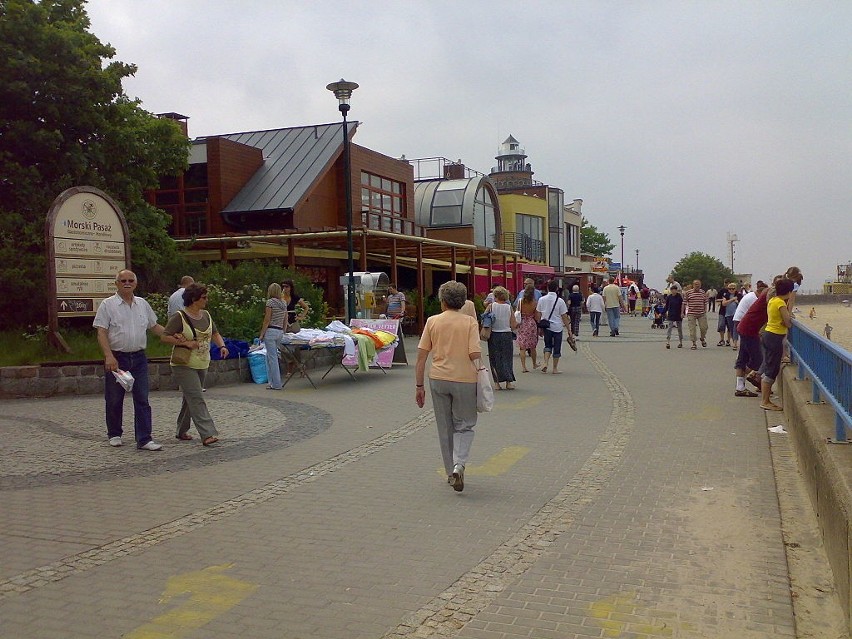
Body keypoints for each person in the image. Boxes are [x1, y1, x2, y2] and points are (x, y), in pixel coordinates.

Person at [415, 281, 482, 493]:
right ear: (462, 302)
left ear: (442, 301)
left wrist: (419, 386)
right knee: (464, 425)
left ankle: (449, 472)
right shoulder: (470, 323)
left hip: (438, 378)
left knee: (445, 427)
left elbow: (421, 357)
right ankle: (459, 465)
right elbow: (474, 353)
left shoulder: (432, 321)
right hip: (464, 379)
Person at [93, 269, 167, 450]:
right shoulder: (107, 305)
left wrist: (174, 336)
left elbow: (154, 326)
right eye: (123, 280)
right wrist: (109, 356)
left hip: (139, 357)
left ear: (135, 283)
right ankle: (114, 434)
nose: (127, 283)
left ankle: (144, 438)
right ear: (117, 283)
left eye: (130, 280)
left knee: (142, 398)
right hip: (118, 358)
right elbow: (101, 331)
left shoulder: (142, 304)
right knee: (114, 398)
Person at [161, 283, 228, 445]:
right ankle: (207, 433)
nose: (207, 300)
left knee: (190, 397)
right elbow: (164, 336)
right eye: (204, 297)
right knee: (196, 396)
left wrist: (222, 346)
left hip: (202, 362)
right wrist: (186, 343)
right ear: (193, 299)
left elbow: (215, 333)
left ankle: (181, 430)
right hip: (183, 364)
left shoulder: (206, 315)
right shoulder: (180, 316)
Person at [760, 278, 795, 411]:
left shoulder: (772, 300)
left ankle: (766, 399)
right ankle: (765, 401)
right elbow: (788, 322)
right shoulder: (780, 303)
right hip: (774, 337)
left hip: (768, 333)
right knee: (772, 369)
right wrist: (788, 320)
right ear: (789, 291)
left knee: (770, 366)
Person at [732, 280, 770, 397]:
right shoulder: (757, 299)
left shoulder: (755, 297)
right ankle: (751, 376)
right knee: (757, 360)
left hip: (743, 326)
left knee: (743, 358)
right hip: (748, 328)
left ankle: (740, 387)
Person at [535, 280, 573, 374]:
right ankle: (555, 368)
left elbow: (538, 314)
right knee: (557, 347)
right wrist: (569, 330)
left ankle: (545, 362)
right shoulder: (560, 301)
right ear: (556, 289)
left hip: (546, 326)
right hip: (557, 327)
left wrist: (539, 327)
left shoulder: (541, 299)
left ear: (548, 288)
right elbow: (564, 316)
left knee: (547, 345)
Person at [484, 286, 517, 390]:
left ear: (495, 296)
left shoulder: (491, 306)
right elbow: (513, 324)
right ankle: (508, 382)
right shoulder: (509, 307)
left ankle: (497, 383)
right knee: (507, 358)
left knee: (494, 358)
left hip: (494, 334)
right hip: (506, 334)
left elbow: (484, 319)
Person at [259, 282, 289, 390]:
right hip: (280, 331)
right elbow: (286, 319)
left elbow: (267, 319)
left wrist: (262, 334)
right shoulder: (284, 303)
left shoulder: (270, 302)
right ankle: (271, 382)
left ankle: (276, 383)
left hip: (271, 331)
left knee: (272, 358)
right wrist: (284, 331)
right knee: (272, 356)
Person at [515, 284, 540, 372]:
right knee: (533, 346)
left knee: (522, 347)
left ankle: (523, 367)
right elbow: (537, 316)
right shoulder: (535, 302)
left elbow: (517, 312)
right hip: (531, 323)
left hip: (522, 323)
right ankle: (534, 364)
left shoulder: (520, 301)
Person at [683, 279, 709, 349]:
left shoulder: (703, 292)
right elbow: (684, 303)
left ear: (700, 285)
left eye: (698, 284)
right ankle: (694, 343)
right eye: (695, 284)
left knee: (704, 327)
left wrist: (705, 310)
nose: (697, 285)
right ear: (693, 285)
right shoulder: (688, 293)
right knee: (692, 329)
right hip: (691, 313)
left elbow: (705, 302)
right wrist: (682, 312)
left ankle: (702, 338)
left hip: (701, 313)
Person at [663, 285, 684, 349]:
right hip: (671, 314)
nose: (673, 291)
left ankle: (680, 342)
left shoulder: (679, 297)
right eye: (672, 290)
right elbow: (666, 305)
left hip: (678, 314)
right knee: (669, 328)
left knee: (679, 329)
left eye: (674, 290)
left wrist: (682, 313)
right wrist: (663, 312)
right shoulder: (669, 297)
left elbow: (682, 305)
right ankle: (668, 342)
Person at [722, 282, 742, 350]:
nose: (731, 290)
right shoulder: (726, 295)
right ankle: (734, 341)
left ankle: (735, 344)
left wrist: (737, 301)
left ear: (735, 289)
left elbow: (742, 304)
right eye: (730, 289)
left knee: (735, 328)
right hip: (728, 314)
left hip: (737, 314)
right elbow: (724, 304)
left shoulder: (739, 295)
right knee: (731, 328)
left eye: (733, 289)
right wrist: (732, 299)